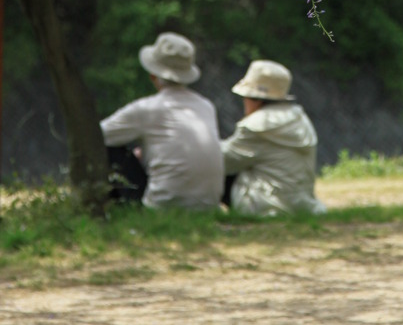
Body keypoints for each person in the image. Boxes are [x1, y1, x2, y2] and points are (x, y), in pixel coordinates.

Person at [100, 32, 224, 210]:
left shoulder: (146, 109)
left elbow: (94, 136)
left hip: (162, 206)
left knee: (108, 149)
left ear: (152, 75)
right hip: (209, 206)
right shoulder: (206, 106)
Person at [221, 59, 326, 216]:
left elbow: (224, 161)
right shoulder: (300, 118)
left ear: (255, 99)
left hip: (264, 206)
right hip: (303, 205)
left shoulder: (255, 126)